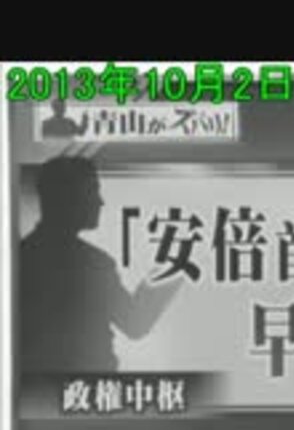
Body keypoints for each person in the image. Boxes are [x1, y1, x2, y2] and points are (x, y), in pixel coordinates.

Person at [19, 156, 180, 373]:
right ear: (69, 198)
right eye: (93, 191)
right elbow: (135, 323)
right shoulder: (92, 264)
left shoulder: (21, 257)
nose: (100, 202)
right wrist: (176, 265)